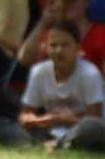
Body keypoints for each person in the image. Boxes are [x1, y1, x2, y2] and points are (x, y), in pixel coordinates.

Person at [19, 20, 105, 151]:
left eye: (65, 45)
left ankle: (55, 145)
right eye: (53, 45)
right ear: (46, 48)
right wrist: (32, 120)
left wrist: (61, 120)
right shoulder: (39, 72)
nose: (58, 50)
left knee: (92, 128)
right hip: (47, 131)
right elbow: (25, 113)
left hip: (80, 132)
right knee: (3, 126)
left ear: (77, 48)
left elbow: (94, 121)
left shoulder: (90, 74)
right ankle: (54, 144)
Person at [17, 0, 105, 70]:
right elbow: (25, 60)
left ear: (87, 1)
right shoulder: (52, 34)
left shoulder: (100, 34)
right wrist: (43, 22)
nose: (67, 4)